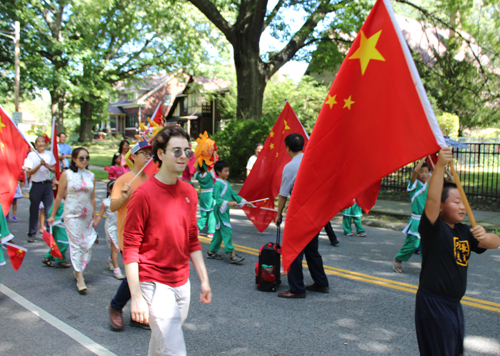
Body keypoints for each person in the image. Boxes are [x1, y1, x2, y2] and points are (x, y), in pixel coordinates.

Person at [123, 125, 212, 355]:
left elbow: (192, 239)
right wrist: (136, 297)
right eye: (177, 151)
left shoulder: (190, 192)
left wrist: (203, 279)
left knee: (162, 343)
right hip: (153, 284)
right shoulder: (143, 195)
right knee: (174, 350)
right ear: (161, 154)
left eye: (187, 151)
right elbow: (130, 249)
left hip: (183, 283)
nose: (184, 157)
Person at [415, 147, 500, 355]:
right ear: (442, 207)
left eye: (464, 202)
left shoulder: (464, 231)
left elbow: (495, 242)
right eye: (456, 202)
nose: (462, 207)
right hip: (434, 303)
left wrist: (484, 236)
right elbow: (433, 200)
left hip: (454, 305)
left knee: (453, 351)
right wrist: (440, 166)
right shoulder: (433, 229)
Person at [276, 133, 329, 299]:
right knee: (312, 250)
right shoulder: (314, 161)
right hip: (315, 211)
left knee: (293, 249)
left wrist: (279, 215)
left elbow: (284, 194)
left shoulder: (290, 167)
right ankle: (321, 283)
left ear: (287, 148)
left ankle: (297, 288)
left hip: (299, 212)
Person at [108, 140, 151, 331]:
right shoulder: (123, 180)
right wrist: (124, 197)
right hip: (128, 236)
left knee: (147, 275)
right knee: (134, 276)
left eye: (151, 153)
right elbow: (113, 206)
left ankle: (137, 314)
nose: (149, 156)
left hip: (148, 235)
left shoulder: (152, 179)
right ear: (133, 157)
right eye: (145, 153)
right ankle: (116, 307)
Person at [48, 147, 98, 294]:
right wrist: (52, 215)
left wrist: (94, 216)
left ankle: (78, 269)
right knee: (76, 244)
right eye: (81, 158)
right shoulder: (67, 174)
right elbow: (58, 197)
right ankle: (80, 277)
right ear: (74, 159)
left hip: (87, 215)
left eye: (87, 158)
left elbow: (93, 198)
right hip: (71, 214)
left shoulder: (91, 175)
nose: (84, 160)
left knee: (86, 244)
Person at [207, 160, 254, 263]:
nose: (228, 173)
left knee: (219, 232)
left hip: (224, 210)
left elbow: (234, 194)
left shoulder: (226, 183)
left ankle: (211, 251)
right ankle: (232, 254)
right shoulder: (217, 184)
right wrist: (228, 203)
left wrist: (246, 202)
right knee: (227, 231)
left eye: (228, 171)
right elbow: (217, 198)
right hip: (220, 210)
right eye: (225, 171)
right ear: (218, 172)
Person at [393, 159, 430, 273]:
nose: (424, 174)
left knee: (427, 245)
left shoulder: (430, 182)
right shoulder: (414, 184)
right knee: (413, 244)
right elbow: (414, 172)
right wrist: (424, 157)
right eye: (421, 172)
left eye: (426, 172)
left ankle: (426, 266)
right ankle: (399, 258)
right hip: (417, 220)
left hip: (428, 220)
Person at [25, 135, 56, 243]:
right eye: (39, 142)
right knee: (34, 210)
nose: (41, 144)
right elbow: (29, 173)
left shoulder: (49, 154)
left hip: (47, 185)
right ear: (36, 144)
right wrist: (39, 165)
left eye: (43, 142)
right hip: (36, 185)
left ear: (45, 143)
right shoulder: (32, 155)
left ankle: (49, 233)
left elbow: (54, 170)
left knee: (48, 210)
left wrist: (47, 166)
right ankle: (32, 233)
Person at [94, 180, 124, 280]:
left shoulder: (122, 200)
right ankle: (117, 269)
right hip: (111, 227)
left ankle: (111, 260)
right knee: (115, 247)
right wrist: (95, 224)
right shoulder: (106, 202)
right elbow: (100, 216)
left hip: (121, 227)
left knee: (119, 247)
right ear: (109, 190)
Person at [42, 195, 71, 268]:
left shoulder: (70, 202)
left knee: (58, 243)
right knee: (64, 241)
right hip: (58, 225)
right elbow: (51, 213)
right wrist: (54, 219)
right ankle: (60, 259)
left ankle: (47, 257)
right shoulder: (59, 202)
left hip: (66, 226)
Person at [193, 166, 216, 238]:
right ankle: (210, 232)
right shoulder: (209, 174)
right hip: (209, 195)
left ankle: (198, 227)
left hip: (202, 195)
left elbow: (195, 173)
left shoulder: (198, 175)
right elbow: (214, 171)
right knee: (212, 215)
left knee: (203, 214)